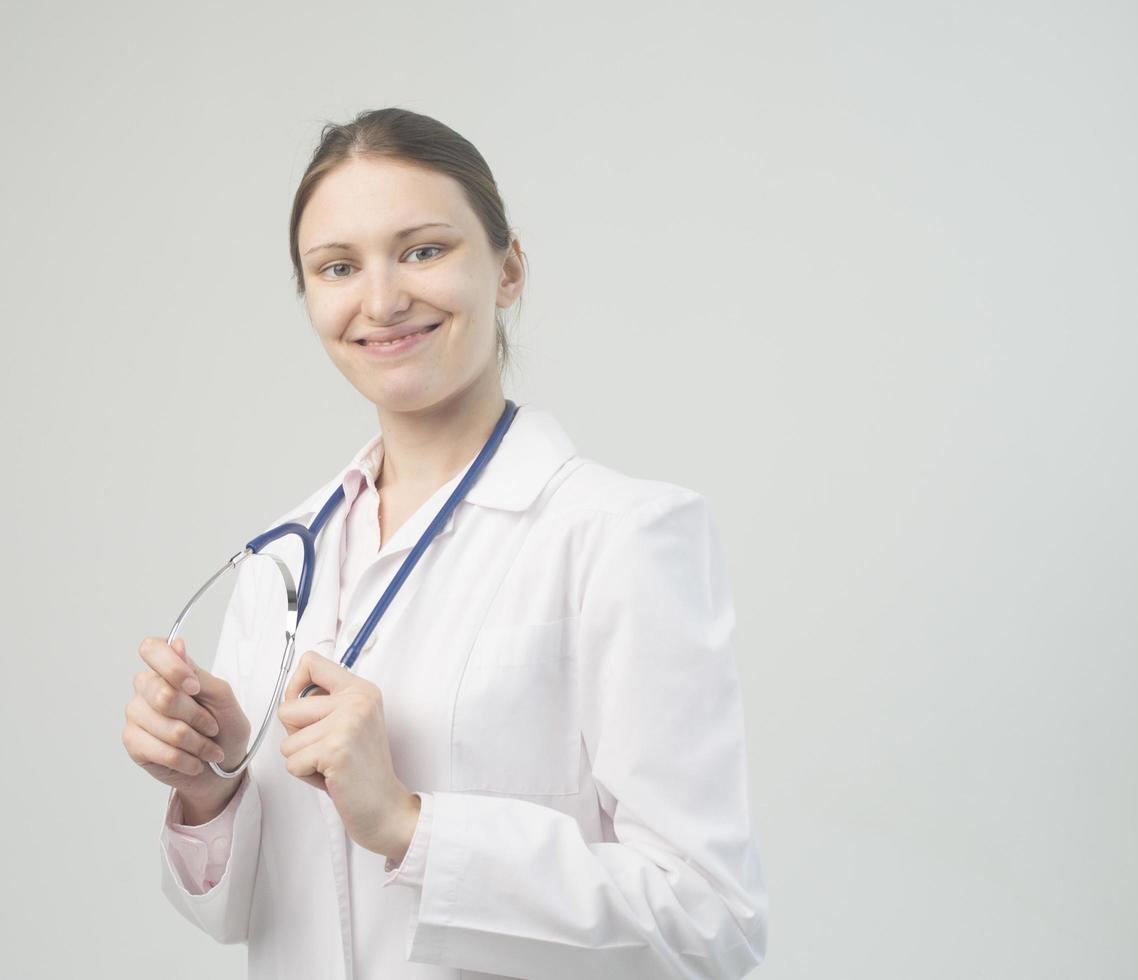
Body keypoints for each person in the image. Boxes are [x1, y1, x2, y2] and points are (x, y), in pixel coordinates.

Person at [121, 107, 767, 979]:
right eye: (338, 267)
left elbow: (710, 925)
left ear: (507, 270)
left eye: (423, 250)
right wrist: (210, 790)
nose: (382, 300)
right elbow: (245, 916)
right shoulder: (280, 566)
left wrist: (408, 823)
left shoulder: (621, 537)